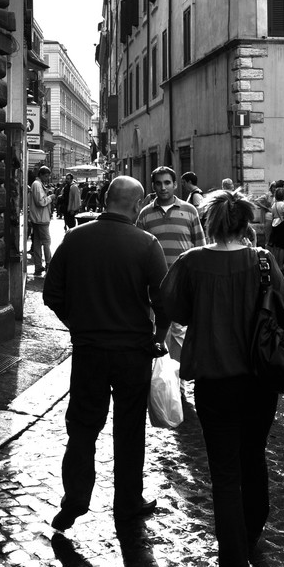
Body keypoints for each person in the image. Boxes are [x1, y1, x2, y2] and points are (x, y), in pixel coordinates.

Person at [160, 190, 284, 567]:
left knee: (225, 475)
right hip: (260, 381)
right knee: (253, 458)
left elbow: (174, 308)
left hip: (215, 384)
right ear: (246, 223)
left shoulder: (191, 262)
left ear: (210, 223)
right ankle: (249, 536)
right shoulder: (263, 260)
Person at [43, 176, 169, 531]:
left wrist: (77, 324)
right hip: (133, 352)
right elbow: (164, 302)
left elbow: (52, 293)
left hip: (90, 351)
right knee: (129, 430)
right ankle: (127, 503)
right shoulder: (147, 244)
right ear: (136, 203)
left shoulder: (75, 238)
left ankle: (74, 503)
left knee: (82, 428)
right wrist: (159, 337)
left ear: (108, 199)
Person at [136, 166, 205, 363]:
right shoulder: (145, 214)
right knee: (157, 331)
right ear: (153, 186)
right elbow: (139, 251)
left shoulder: (190, 211)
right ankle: (159, 383)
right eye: (158, 183)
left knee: (180, 332)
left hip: (182, 282)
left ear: (175, 185)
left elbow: (200, 245)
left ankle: (178, 384)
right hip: (154, 285)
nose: (163, 187)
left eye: (167, 183)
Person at [28, 166, 54, 276]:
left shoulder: (37, 185)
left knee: (38, 243)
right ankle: (49, 263)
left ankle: (38, 266)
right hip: (41, 219)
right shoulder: (37, 185)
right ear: (42, 175)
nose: (47, 178)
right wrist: (51, 197)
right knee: (46, 242)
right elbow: (40, 202)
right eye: (47, 176)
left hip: (38, 218)